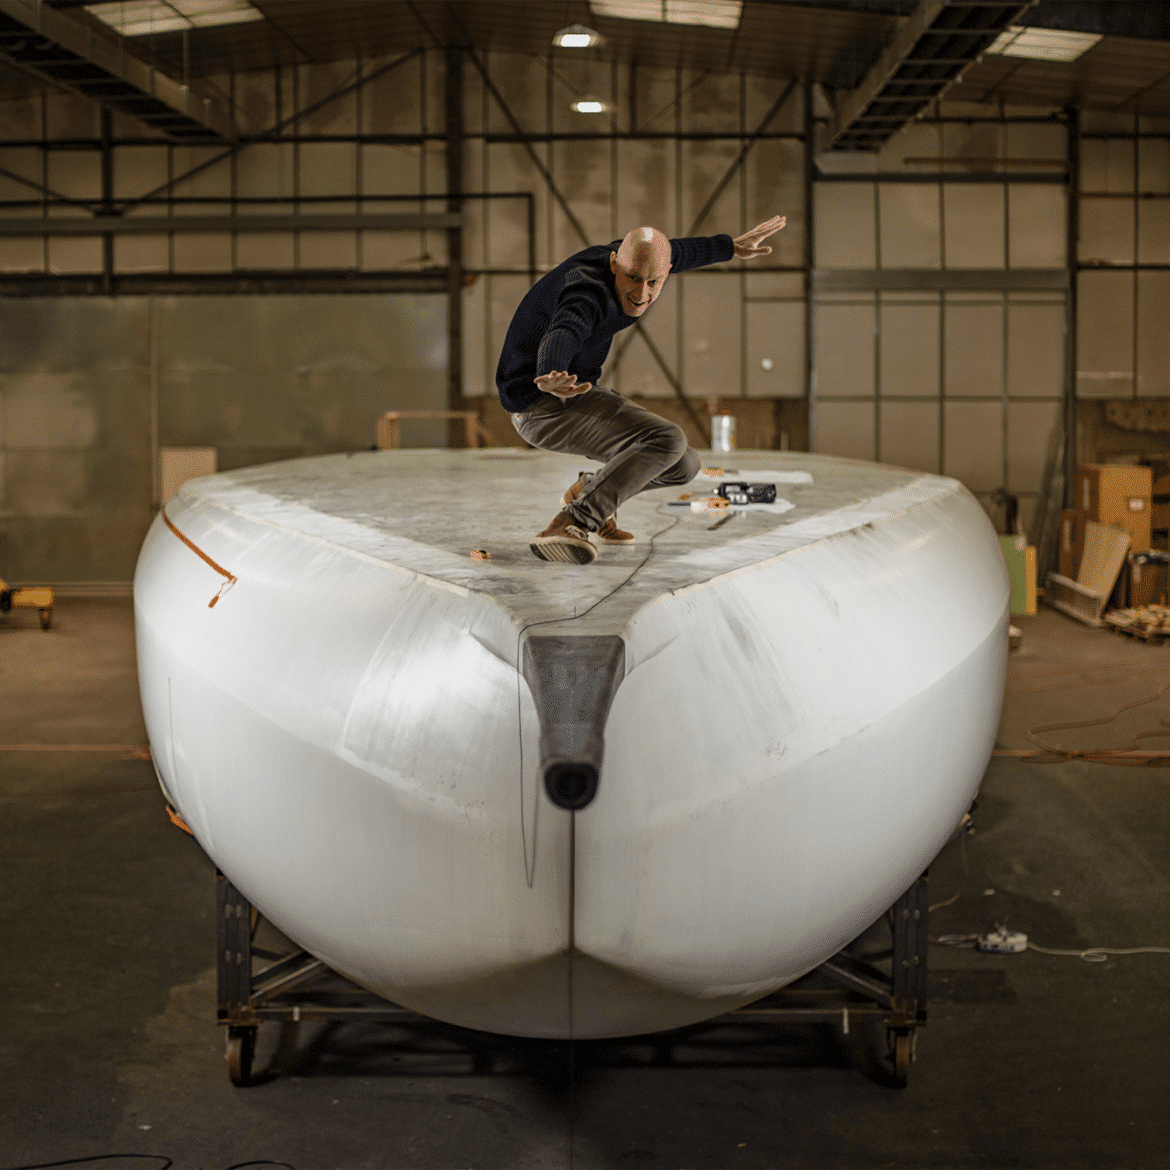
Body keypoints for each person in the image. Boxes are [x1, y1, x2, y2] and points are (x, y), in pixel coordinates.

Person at [496, 215, 786, 563]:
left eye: (654, 282)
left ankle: (589, 490)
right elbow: (565, 329)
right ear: (614, 264)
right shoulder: (587, 290)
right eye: (633, 279)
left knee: (684, 464)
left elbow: (679, 251)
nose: (641, 293)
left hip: (573, 392)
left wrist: (730, 247)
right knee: (669, 439)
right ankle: (572, 521)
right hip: (539, 404)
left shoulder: (634, 259)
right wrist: (551, 370)